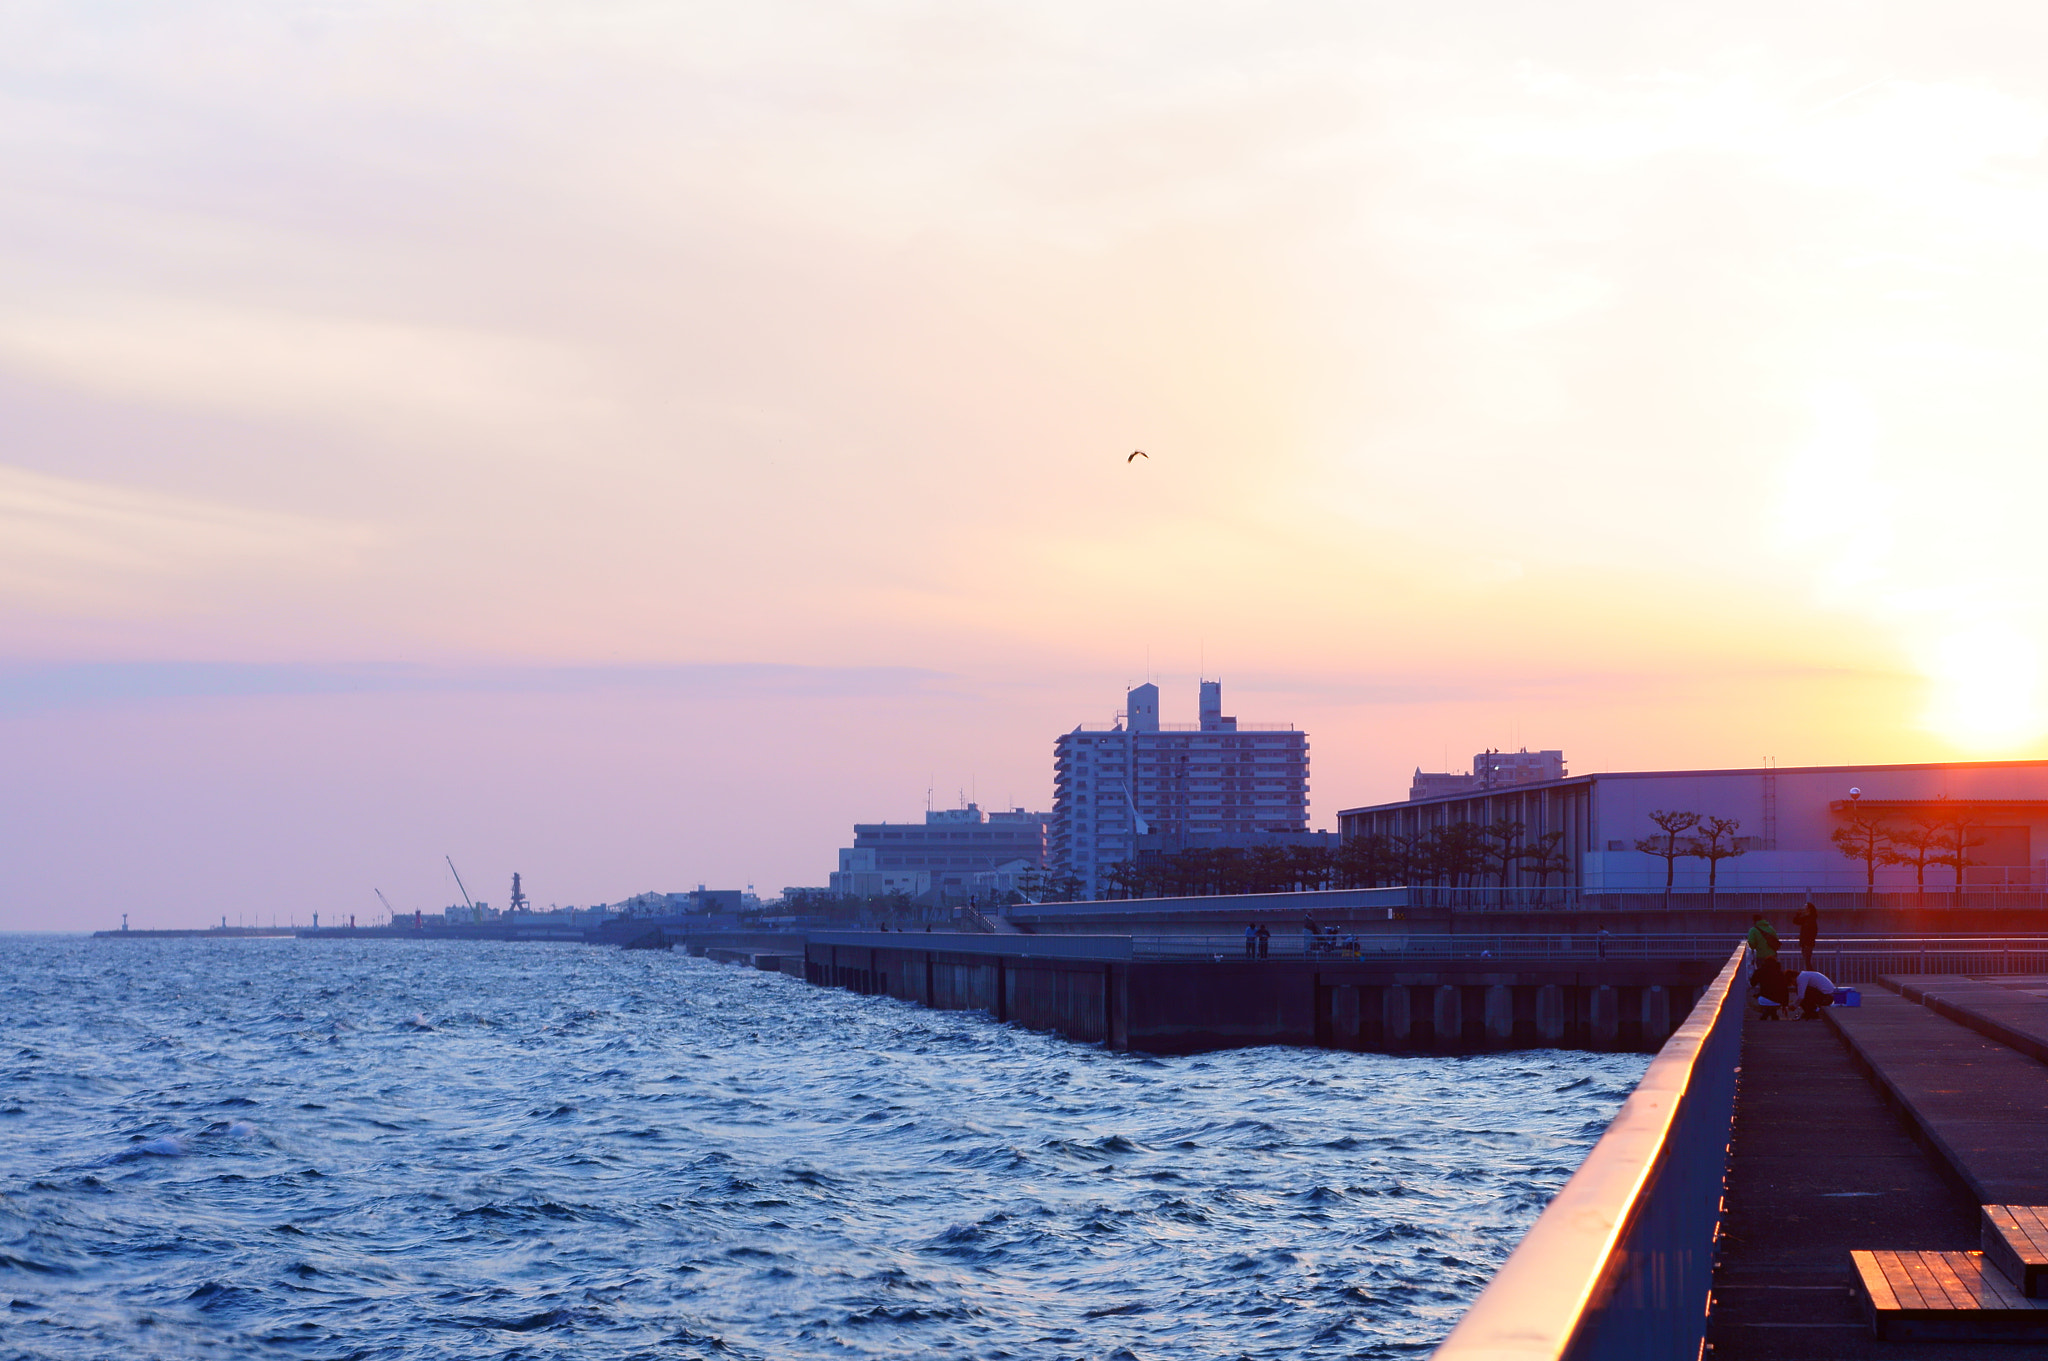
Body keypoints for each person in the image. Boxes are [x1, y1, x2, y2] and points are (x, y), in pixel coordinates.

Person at [1752, 955, 1789, 1020]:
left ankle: (1766, 1012)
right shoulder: (1780, 973)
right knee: (1773, 1000)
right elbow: (1785, 989)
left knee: (1758, 997)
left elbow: (1752, 983)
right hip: (1778, 1000)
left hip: (1763, 999)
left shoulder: (1760, 971)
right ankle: (1773, 1012)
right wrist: (1785, 1004)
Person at [1795, 901, 1819, 972]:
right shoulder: (1807, 918)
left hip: (1807, 944)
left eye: (1805, 908)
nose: (1803, 909)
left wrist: (1807, 943)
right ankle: (1811, 976)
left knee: (1807, 962)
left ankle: (1812, 977)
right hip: (1805, 944)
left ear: (1809, 909)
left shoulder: (1810, 920)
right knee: (1807, 962)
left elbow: (1812, 933)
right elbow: (1796, 921)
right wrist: (1798, 914)